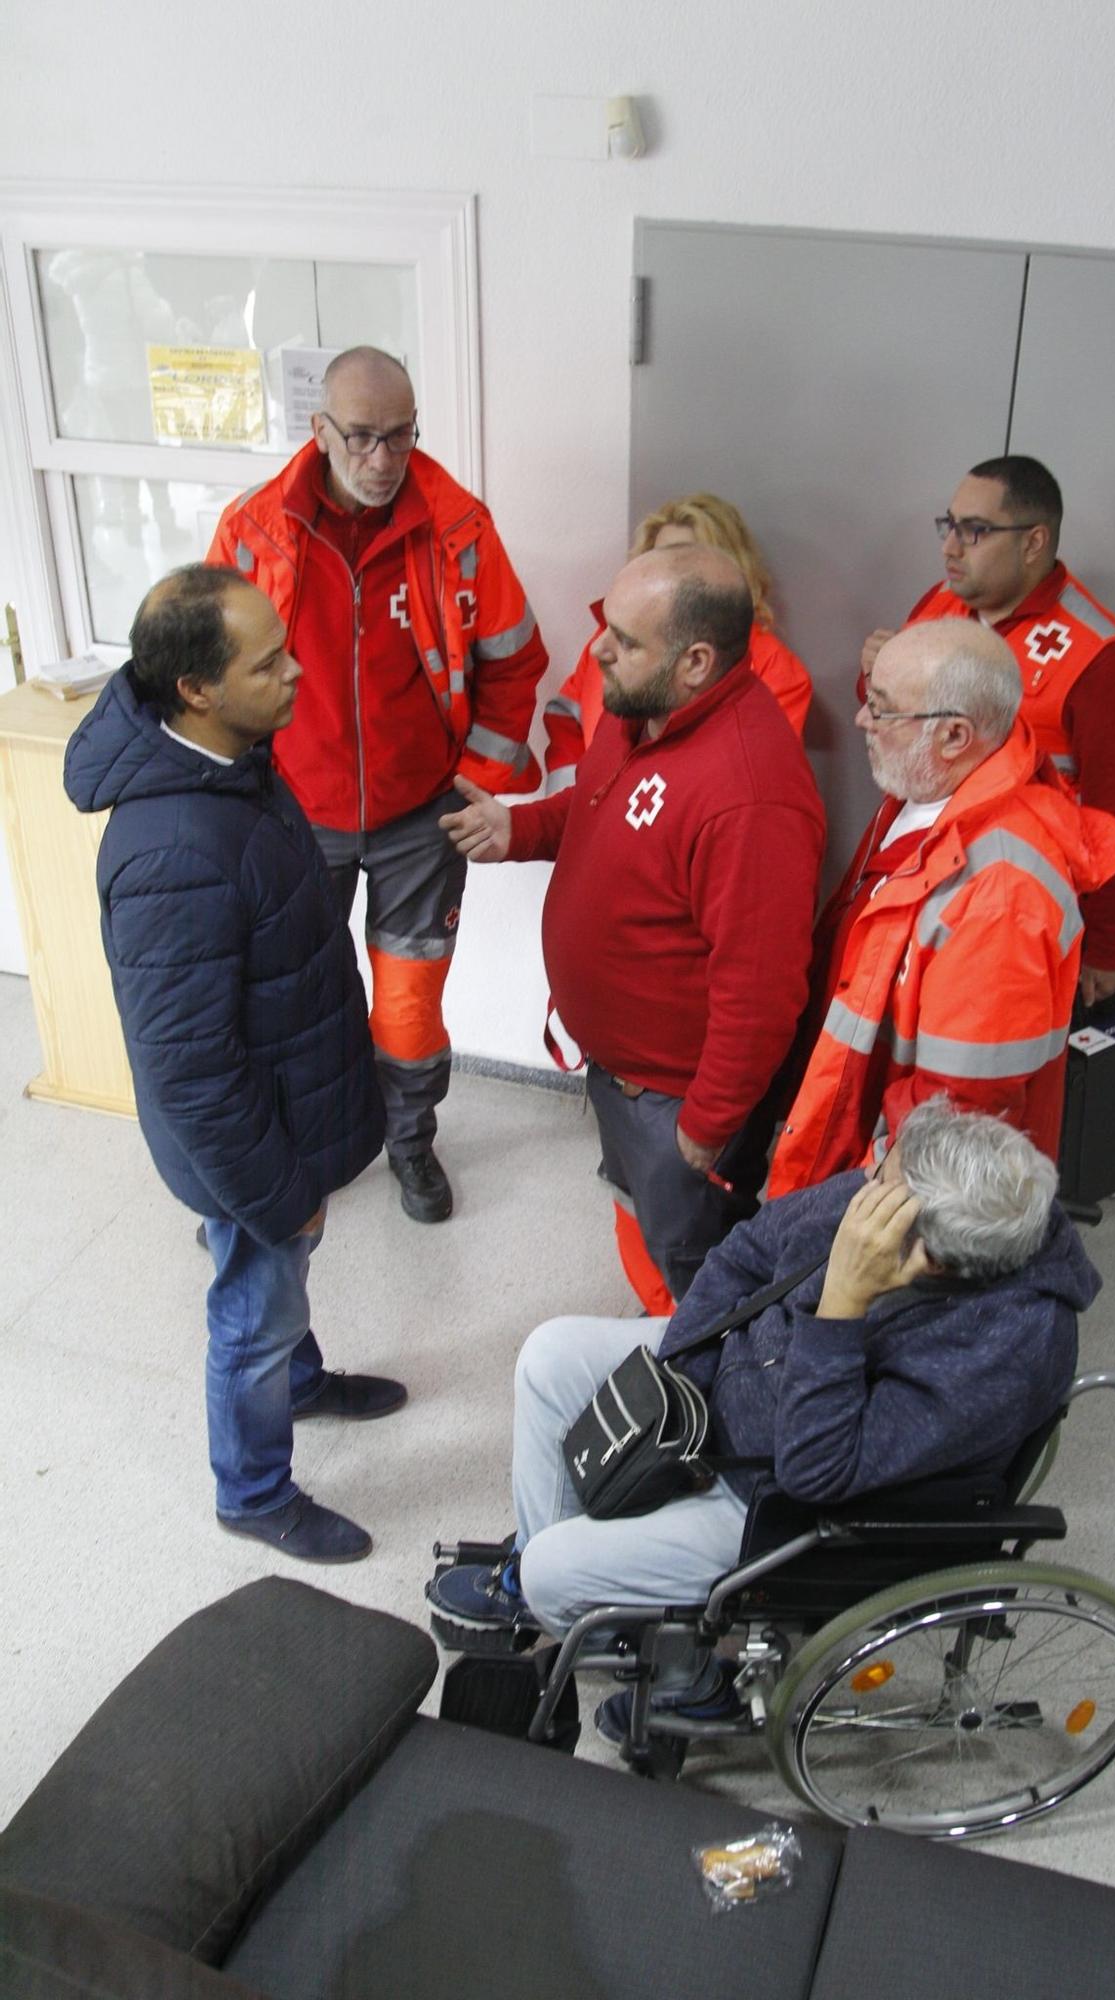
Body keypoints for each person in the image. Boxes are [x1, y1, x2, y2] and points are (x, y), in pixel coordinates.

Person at [427, 1098, 1096, 1742]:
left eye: (879, 1188)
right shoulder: (894, 1185)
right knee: (551, 1355)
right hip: (735, 1375)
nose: (862, 1183)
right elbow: (744, 1251)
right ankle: (594, 1596)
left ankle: (681, 1677)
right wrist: (684, 1382)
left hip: (780, 1499)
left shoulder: (1004, 1349)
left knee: (553, 1570)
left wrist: (841, 1303)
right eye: (880, 1165)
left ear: (934, 1260)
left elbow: (815, 1470)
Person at [64, 566, 404, 1564]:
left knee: (275, 1276)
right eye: (270, 662)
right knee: (252, 1304)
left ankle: (300, 1382)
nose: (298, 673)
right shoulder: (171, 849)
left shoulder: (230, 761)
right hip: (250, 1141)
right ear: (196, 690)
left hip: (284, 1106)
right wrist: (277, 1190)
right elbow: (192, 1070)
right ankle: (252, 1490)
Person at [208, 346, 548, 1223]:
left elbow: (513, 664)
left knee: (406, 1003)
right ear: (319, 431)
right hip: (292, 819)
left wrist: (474, 783)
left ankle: (409, 1145)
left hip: (419, 823)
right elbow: (210, 670)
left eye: (400, 435)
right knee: (297, 1004)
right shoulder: (252, 531)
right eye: (360, 436)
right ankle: (300, 1154)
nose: (382, 458)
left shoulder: (460, 528)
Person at [442, 542, 825, 1312]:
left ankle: (703, 1397)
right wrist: (516, 830)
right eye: (604, 625)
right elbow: (594, 805)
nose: (599, 650)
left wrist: (706, 1128)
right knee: (649, 1229)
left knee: (700, 1272)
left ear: (694, 662)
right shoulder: (638, 710)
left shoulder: (750, 795)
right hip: (620, 1075)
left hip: (676, 1103)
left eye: (623, 638)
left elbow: (759, 994)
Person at [769, 621, 1115, 1196]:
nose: (863, 719)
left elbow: (956, 1108)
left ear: (955, 736)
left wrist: (854, 1208)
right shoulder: (927, 793)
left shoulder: (1001, 896)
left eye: (882, 710)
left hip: (897, 1190)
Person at [861, 456, 1115, 1007]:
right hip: (915, 883)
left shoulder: (1103, 660)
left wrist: (1109, 951)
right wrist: (875, 677)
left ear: (1033, 542)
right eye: (948, 526)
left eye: (974, 531)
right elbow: (902, 727)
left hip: (1009, 916)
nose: (950, 547)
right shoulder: (939, 608)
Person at [542, 491, 812, 792]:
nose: (667, 572)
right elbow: (567, 717)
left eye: (685, 561)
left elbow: (752, 781)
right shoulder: (608, 641)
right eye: (659, 559)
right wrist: (571, 800)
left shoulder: (775, 668)